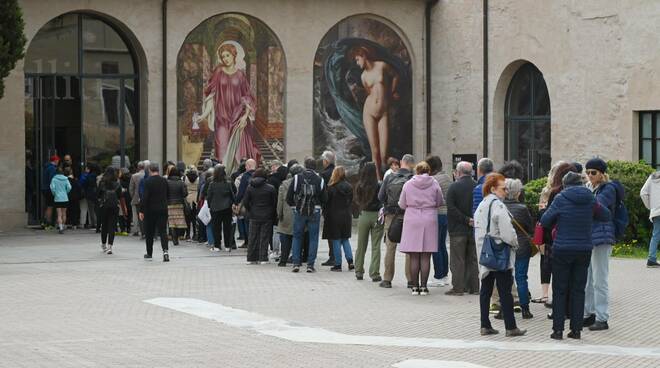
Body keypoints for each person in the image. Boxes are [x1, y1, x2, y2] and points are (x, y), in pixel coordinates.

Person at [541, 171, 611, 340]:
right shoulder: (590, 198)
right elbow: (606, 215)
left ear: (565, 184)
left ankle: (558, 330)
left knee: (560, 290)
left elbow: (545, 221)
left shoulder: (560, 198)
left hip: (562, 249)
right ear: (580, 184)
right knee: (579, 289)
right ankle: (576, 330)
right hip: (583, 249)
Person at [193, 42, 261, 172]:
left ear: (234, 55)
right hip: (222, 118)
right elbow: (211, 96)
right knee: (222, 149)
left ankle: (238, 178)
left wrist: (245, 117)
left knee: (239, 153)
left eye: (227, 55)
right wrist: (204, 115)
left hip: (238, 118)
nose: (225, 59)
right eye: (223, 56)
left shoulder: (240, 75)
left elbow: (247, 97)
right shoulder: (218, 73)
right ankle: (224, 178)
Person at [475, 173, 526, 337]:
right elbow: (507, 232)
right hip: (499, 252)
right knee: (505, 290)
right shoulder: (498, 205)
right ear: (493, 189)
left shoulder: (482, 204)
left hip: (485, 252)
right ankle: (511, 327)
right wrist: (514, 243)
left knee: (486, 290)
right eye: (503, 189)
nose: (506, 191)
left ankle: (485, 325)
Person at [349, 45, 399, 178]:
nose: (357, 62)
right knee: (374, 151)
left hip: (383, 112)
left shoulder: (382, 66)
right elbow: (370, 93)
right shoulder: (363, 76)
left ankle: (388, 173)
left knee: (383, 155)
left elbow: (395, 76)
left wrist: (392, 91)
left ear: (364, 56)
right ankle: (377, 180)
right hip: (369, 112)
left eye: (357, 59)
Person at [398, 161, 444, 295]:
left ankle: (414, 287)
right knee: (425, 255)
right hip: (429, 218)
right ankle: (424, 287)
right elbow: (440, 201)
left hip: (412, 218)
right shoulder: (435, 183)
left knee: (413, 256)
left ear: (416, 171)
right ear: (428, 171)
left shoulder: (408, 184)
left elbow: (402, 204)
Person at [583, 158, 616, 332]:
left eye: (593, 172)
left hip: (602, 236)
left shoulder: (608, 188)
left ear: (602, 174)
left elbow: (598, 206)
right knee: (587, 278)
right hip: (589, 236)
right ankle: (589, 314)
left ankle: (602, 318)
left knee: (600, 279)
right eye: (587, 172)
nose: (589, 176)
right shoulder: (588, 188)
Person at [532, 161, 571, 306]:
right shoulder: (551, 190)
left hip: (552, 233)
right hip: (556, 234)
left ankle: (555, 298)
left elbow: (548, 216)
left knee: (551, 263)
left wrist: (542, 210)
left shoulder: (554, 192)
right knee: (548, 263)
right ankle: (549, 295)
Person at [378, 154, 414, 288]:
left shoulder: (389, 177)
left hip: (391, 216)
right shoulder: (412, 178)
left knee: (390, 247)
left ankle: (387, 279)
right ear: (412, 164)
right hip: (408, 216)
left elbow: (380, 197)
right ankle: (410, 280)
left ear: (401, 162)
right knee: (409, 249)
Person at [287, 157, 327, 273]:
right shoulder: (320, 179)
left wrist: (294, 206)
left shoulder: (296, 178)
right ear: (315, 166)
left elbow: (289, 197)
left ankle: (296, 263)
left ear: (305, 165)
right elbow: (325, 198)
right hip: (315, 211)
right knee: (313, 238)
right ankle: (310, 265)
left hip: (299, 211)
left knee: (297, 236)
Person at [503, 178, 535, 319]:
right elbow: (530, 228)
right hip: (522, 246)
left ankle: (504, 308)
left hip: (504, 247)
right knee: (521, 277)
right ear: (518, 193)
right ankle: (525, 309)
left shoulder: (500, 207)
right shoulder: (522, 209)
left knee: (505, 278)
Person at [445, 161, 478, 296]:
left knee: (457, 259)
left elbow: (451, 208)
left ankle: (458, 288)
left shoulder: (453, 187)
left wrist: (465, 220)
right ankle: (474, 288)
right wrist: (472, 220)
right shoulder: (477, 186)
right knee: (473, 258)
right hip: (473, 228)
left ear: (458, 172)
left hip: (457, 229)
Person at [353, 162, 384, 281]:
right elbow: (382, 199)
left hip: (364, 215)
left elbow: (356, 200)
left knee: (361, 245)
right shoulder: (379, 185)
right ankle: (375, 273)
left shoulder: (359, 185)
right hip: (376, 216)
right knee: (376, 246)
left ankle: (359, 271)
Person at [426, 155, 452, 287]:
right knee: (442, 245)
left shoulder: (433, 180)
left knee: (435, 246)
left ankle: (438, 276)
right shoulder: (447, 177)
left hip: (436, 214)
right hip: (446, 215)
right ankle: (445, 275)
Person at [242, 168, 277, 264]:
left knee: (253, 237)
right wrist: (271, 212)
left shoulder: (250, 187)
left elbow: (245, 202)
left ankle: (251, 258)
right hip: (267, 216)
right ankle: (263, 258)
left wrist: (251, 210)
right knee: (264, 237)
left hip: (254, 215)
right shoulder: (271, 188)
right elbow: (274, 203)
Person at [323, 166, 354, 272]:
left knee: (336, 239)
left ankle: (338, 264)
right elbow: (350, 202)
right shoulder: (349, 187)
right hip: (346, 216)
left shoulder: (331, 188)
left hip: (334, 216)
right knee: (345, 239)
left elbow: (327, 203)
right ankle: (350, 262)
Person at [139, 163, 170, 262]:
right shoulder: (164, 181)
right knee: (163, 231)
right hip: (162, 209)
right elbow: (168, 194)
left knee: (149, 231)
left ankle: (149, 253)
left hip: (150, 210)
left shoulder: (147, 182)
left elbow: (145, 197)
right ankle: (165, 252)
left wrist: (141, 210)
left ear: (150, 170)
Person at [277, 164, 302, 267]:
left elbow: (280, 202)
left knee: (285, 238)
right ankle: (297, 259)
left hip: (286, 214)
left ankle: (283, 260)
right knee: (297, 237)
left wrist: (279, 214)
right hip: (299, 213)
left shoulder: (283, 185)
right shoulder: (303, 183)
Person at [206, 165, 235, 252]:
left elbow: (209, 196)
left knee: (216, 228)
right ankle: (227, 246)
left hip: (215, 208)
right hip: (227, 208)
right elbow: (232, 195)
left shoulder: (212, 184)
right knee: (227, 228)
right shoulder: (228, 183)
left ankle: (217, 246)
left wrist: (209, 206)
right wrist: (233, 203)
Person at [98, 167, 124, 254]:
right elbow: (120, 196)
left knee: (104, 225)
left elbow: (97, 194)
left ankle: (103, 244)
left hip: (104, 206)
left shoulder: (102, 183)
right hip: (114, 206)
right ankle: (110, 246)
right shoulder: (117, 184)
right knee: (112, 226)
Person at [640, 169, 660, 268]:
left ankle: (651, 259)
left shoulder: (653, 177)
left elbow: (643, 193)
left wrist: (651, 206)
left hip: (656, 211)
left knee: (656, 235)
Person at [320, 150, 337, 267]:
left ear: (326, 161)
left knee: (331, 233)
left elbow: (322, 192)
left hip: (329, 207)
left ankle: (333, 256)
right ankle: (336, 255)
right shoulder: (338, 171)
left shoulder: (325, 174)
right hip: (340, 207)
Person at [235, 158, 257, 248]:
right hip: (259, 203)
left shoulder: (245, 176)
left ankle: (248, 242)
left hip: (248, 203)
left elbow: (241, 191)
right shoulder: (260, 174)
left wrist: (236, 202)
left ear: (248, 166)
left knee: (247, 222)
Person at [166, 167, 188, 246]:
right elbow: (185, 194)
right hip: (179, 204)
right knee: (179, 222)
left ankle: (174, 237)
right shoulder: (181, 182)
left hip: (170, 204)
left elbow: (165, 193)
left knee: (171, 222)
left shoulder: (167, 182)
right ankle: (177, 236)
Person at [50, 166, 71, 234]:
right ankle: (64, 225)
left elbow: (52, 188)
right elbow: (69, 187)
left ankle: (60, 227)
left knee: (59, 214)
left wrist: (55, 193)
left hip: (57, 198)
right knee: (64, 213)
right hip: (65, 198)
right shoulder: (66, 179)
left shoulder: (54, 179)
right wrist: (66, 192)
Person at [42, 155, 59, 229]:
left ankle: (44, 222)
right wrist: (54, 190)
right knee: (50, 207)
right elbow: (52, 180)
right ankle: (47, 223)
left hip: (45, 189)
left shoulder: (47, 167)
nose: (58, 162)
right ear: (55, 160)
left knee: (48, 206)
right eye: (58, 160)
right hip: (49, 190)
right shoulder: (52, 168)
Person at [129, 161, 146, 237]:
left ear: (138, 167)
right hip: (145, 198)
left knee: (135, 215)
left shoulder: (134, 176)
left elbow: (131, 189)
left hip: (136, 198)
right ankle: (144, 230)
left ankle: (135, 230)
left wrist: (133, 196)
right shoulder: (147, 175)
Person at [184, 166, 199, 242]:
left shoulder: (185, 178)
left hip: (188, 198)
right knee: (194, 218)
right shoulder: (198, 178)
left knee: (187, 218)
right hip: (196, 198)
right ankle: (195, 234)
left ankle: (187, 235)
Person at [118, 168, 132, 235]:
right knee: (129, 212)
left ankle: (123, 228)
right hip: (129, 197)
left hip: (122, 198)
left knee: (122, 213)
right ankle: (128, 227)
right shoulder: (131, 179)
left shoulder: (120, 181)